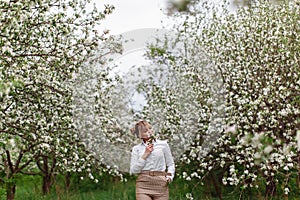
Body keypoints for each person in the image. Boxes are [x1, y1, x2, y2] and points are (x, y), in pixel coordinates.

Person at [130, 120, 175, 200]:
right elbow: (134, 170)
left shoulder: (163, 145)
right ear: (139, 135)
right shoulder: (136, 149)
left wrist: (169, 176)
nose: (149, 132)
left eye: (150, 128)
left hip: (161, 183)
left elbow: (170, 164)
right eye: (145, 131)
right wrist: (145, 155)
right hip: (143, 184)